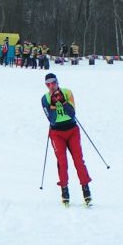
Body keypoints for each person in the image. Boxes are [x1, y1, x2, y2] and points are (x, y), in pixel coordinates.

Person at [41, 72, 91, 205]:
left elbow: (72, 113)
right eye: (48, 84)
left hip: (72, 130)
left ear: (57, 82)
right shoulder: (45, 98)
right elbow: (51, 119)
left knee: (78, 160)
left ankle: (85, 188)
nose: (51, 86)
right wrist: (52, 103)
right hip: (57, 132)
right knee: (62, 162)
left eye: (53, 83)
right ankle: (64, 189)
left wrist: (62, 101)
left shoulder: (68, 93)